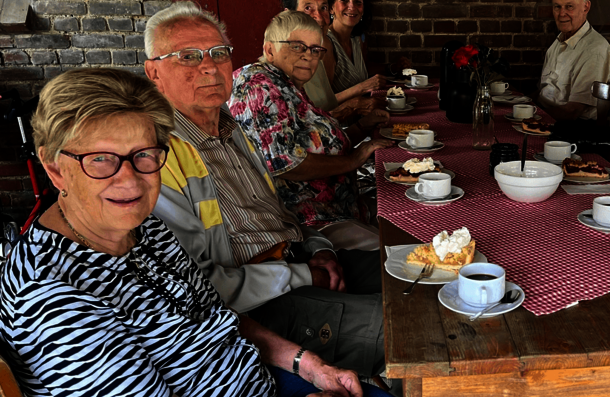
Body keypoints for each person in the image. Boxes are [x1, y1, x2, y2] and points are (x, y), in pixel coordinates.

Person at [0, 67, 387, 397]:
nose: (131, 180)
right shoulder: (51, 294)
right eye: (100, 159)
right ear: (54, 170)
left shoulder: (146, 228)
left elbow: (215, 316)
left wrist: (306, 363)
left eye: (144, 154)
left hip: (261, 379)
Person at [144, 1, 387, 380]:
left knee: (418, 272)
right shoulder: (155, 158)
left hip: (298, 258)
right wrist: (306, 275)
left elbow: (277, 212)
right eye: (188, 56)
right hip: (257, 304)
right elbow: (201, 285)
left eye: (218, 53)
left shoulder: (231, 130)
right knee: (402, 325)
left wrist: (318, 251)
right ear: (154, 72)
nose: (208, 67)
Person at [230, 10, 392, 237]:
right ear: (269, 49)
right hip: (309, 226)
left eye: (316, 50)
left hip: (340, 208)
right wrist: (354, 159)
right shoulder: (260, 86)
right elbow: (284, 162)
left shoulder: (286, 83)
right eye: (297, 46)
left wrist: (363, 126)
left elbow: (318, 143)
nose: (309, 56)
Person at [281, 0, 377, 121]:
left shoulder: (315, 53)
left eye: (323, 8)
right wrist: (352, 104)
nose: (318, 17)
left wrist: (362, 127)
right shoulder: (276, 72)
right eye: (308, 8)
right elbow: (305, 128)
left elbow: (321, 116)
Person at [537, 0, 610, 121]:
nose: (562, 14)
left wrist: (533, 117)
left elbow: (573, 111)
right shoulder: (559, 41)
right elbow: (542, 93)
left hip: (573, 131)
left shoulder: (595, 49)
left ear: (586, 7)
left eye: (569, 7)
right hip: (546, 118)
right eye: (557, 7)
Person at [326, 0, 411, 93]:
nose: (352, 7)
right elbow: (324, 103)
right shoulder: (326, 43)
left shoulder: (356, 39)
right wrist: (363, 87)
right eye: (344, 1)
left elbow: (361, 71)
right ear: (331, 8)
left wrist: (392, 68)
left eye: (358, 2)